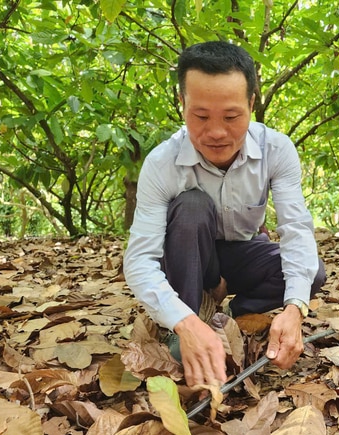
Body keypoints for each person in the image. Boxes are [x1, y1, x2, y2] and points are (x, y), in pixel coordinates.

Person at [123, 41, 326, 387]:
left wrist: (295, 309)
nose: (216, 132)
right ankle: (186, 328)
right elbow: (140, 260)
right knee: (190, 206)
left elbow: (295, 230)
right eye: (200, 116)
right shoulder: (162, 163)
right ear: (182, 104)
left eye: (231, 117)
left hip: (240, 253)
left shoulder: (276, 150)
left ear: (250, 105)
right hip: (185, 256)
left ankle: (229, 314)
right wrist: (184, 323)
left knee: (312, 275)